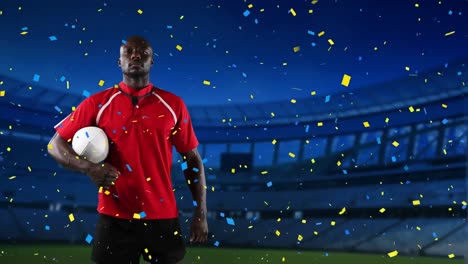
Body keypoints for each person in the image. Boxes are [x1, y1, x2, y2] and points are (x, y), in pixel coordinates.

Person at [47, 35, 208, 264]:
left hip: (162, 217)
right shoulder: (97, 103)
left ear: (152, 61)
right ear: (119, 62)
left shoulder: (173, 105)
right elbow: (55, 145)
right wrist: (89, 168)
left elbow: (192, 160)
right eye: (128, 52)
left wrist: (200, 212)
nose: (135, 55)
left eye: (143, 52)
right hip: (114, 217)